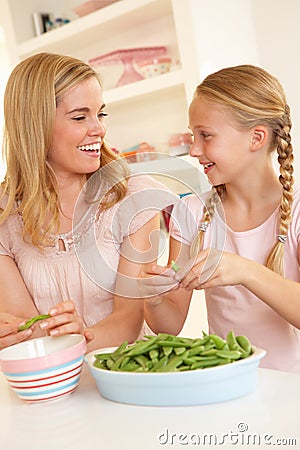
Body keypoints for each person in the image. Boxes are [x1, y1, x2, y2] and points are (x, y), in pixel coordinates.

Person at [0, 52, 171, 351]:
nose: (99, 129)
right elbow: (26, 329)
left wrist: (80, 337)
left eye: (100, 114)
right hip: (48, 383)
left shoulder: (131, 199)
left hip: (124, 374)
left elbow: (129, 321)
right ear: (34, 126)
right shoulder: (4, 216)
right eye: (80, 117)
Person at [140, 64, 300, 373]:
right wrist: (155, 298)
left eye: (206, 136)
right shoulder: (191, 213)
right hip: (227, 383)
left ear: (256, 138)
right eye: (192, 136)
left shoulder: (295, 213)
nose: (194, 149)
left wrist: (246, 272)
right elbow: (167, 328)